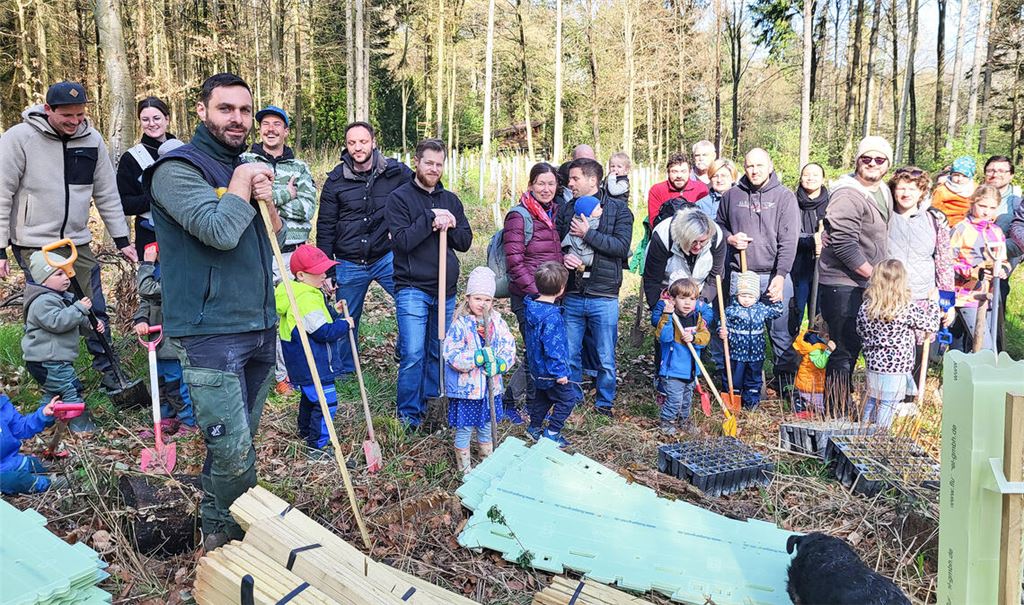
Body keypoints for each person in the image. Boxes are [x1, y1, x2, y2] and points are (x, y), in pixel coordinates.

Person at [145, 72, 283, 549]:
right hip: (211, 332)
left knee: (241, 441)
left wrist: (267, 202)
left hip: (260, 323)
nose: (238, 119)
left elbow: (271, 239)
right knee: (231, 449)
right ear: (202, 111)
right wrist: (245, 180)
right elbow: (218, 232)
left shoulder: (243, 167)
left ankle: (219, 524)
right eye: (227, 109)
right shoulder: (177, 170)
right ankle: (227, 543)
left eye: (245, 110)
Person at [0, 81, 137, 393]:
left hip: (76, 241)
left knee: (93, 305)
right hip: (35, 242)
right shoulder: (19, 138)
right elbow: (2, 192)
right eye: (67, 116)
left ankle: (111, 372)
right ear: (49, 110)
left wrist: (122, 239)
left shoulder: (92, 139)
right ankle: (56, 378)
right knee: (49, 308)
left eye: (80, 115)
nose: (75, 122)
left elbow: (106, 192)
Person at [386, 139, 473, 430]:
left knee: (438, 351)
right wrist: (430, 220)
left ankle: (432, 404)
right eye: (429, 163)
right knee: (413, 352)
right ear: (416, 162)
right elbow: (402, 243)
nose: (434, 169)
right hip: (413, 288)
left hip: (445, 291)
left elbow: (465, 241)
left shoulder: (451, 200)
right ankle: (408, 414)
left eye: (439, 164)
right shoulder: (399, 199)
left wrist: (451, 223)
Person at [317, 122, 413, 377]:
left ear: (373, 142)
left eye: (362, 142)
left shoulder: (397, 172)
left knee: (412, 301)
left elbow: (421, 193)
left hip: (386, 256)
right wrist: (327, 269)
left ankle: (405, 350)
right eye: (352, 143)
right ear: (346, 146)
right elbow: (325, 226)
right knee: (346, 318)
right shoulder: (335, 180)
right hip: (348, 260)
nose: (357, 148)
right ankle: (346, 370)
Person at [240, 105, 317, 395]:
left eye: (277, 124)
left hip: (292, 254)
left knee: (292, 313)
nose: (270, 129)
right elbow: (246, 204)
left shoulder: (299, 168)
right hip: (258, 250)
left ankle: (288, 374)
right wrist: (285, 193)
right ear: (258, 129)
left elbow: (307, 209)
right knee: (262, 314)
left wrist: (270, 200)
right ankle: (260, 374)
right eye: (265, 124)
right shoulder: (245, 161)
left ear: (286, 131)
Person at [817, 136, 893, 417]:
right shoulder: (847, 194)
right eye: (866, 158)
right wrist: (877, 276)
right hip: (842, 284)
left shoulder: (882, 191)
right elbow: (844, 244)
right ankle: (835, 413)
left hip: (866, 282)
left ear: (887, 164)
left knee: (854, 346)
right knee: (842, 349)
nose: (872, 163)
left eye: (879, 159)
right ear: (857, 160)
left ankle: (843, 405)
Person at [715, 147, 799, 395]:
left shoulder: (785, 197)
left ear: (770, 166)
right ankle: (741, 388)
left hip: (774, 274)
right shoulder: (732, 196)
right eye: (750, 165)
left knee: (780, 334)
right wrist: (730, 239)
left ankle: (785, 386)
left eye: (759, 165)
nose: (754, 170)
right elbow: (718, 226)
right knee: (740, 332)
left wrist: (781, 275)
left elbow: (789, 240)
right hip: (742, 274)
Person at [557, 158, 633, 416]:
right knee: (570, 353)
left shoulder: (619, 211)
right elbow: (557, 242)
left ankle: (604, 403)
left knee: (605, 356)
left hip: (604, 294)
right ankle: (574, 398)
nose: (570, 183)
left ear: (592, 180)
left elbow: (621, 248)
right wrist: (564, 256)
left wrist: (587, 234)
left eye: (575, 178)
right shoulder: (567, 209)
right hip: (573, 293)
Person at [275, 245, 354, 459]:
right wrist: (345, 324)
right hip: (314, 363)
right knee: (327, 403)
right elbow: (323, 331)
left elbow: (316, 319)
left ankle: (305, 431)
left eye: (325, 269)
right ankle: (317, 446)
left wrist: (333, 312)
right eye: (318, 271)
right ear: (301, 275)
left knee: (311, 399)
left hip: (305, 364)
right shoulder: (305, 298)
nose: (324, 275)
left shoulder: (302, 292)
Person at [503, 162, 563, 417]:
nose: (546, 188)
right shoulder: (520, 216)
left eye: (551, 183)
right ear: (531, 185)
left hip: (550, 295)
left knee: (540, 351)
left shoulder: (554, 213)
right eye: (541, 183)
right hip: (529, 296)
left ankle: (531, 404)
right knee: (534, 352)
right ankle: (511, 401)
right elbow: (515, 262)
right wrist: (536, 294)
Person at [443, 267, 516, 474]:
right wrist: (475, 358)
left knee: (485, 426)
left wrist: (500, 364)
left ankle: (486, 465)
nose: (482, 304)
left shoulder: (497, 323)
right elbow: (451, 355)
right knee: (465, 428)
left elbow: (508, 347)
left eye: (487, 300)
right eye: (477, 299)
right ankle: (464, 469)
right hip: (467, 390)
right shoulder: (460, 325)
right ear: (468, 298)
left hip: (489, 390)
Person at [21, 251, 101, 432]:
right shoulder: (42, 301)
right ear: (43, 280)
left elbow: (74, 321)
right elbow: (58, 322)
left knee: (53, 394)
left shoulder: (59, 298)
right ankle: (82, 428)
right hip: (47, 361)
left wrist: (92, 324)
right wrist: (79, 308)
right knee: (71, 389)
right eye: (59, 274)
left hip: (53, 360)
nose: (66, 278)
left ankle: (41, 423)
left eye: (67, 272)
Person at [886, 167, 955, 374]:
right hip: (890, 298)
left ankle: (912, 400)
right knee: (891, 352)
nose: (906, 194)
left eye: (912, 189)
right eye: (901, 188)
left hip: (922, 299)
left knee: (918, 354)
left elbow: (944, 263)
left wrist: (948, 303)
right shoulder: (884, 218)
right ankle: (889, 399)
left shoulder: (934, 221)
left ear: (922, 192)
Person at [856, 259, 940, 427]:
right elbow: (932, 324)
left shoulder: (867, 307)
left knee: (871, 400)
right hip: (896, 369)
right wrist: (933, 303)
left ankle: (861, 432)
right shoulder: (905, 308)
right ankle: (880, 440)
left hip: (873, 364)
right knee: (887, 406)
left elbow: (860, 330)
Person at [133, 243, 197, 435]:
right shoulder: (159, 269)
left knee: (176, 384)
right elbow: (146, 300)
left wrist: (146, 264)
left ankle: (188, 421)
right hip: (156, 341)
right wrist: (141, 318)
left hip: (173, 341)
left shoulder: (181, 272)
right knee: (158, 383)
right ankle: (166, 418)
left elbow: (146, 289)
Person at [950, 185, 1010, 353]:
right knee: (985, 347)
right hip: (966, 296)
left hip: (990, 296)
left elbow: (1003, 260)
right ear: (972, 203)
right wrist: (972, 271)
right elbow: (947, 262)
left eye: (992, 208)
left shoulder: (996, 231)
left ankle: (972, 377)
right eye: (982, 206)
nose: (986, 212)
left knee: (972, 346)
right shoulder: (961, 229)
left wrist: (1003, 269)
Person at [524, 262, 577, 447]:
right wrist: (560, 373)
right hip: (551, 370)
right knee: (568, 399)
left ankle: (534, 427)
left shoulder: (531, 308)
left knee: (543, 397)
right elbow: (553, 348)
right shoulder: (552, 317)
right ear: (561, 289)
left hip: (536, 367)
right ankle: (551, 432)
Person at [652, 278, 713, 435]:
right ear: (672, 300)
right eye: (682, 298)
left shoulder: (696, 318)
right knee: (674, 400)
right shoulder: (669, 319)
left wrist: (694, 338)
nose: (687, 303)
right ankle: (666, 422)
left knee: (686, 401)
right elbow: (663, 338)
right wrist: (667, 315)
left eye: (692, 299)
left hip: (690, 370)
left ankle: (684, 422)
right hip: (673, 370)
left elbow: (705, 337)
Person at [117, 96, 176, 258]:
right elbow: (125, 203)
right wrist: (156, 199)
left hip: (185, 232)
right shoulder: (132, 158)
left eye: (156, 118)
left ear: (167, 119)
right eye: (145, 119)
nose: (152, 124)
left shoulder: (185, 151)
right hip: (150, 233)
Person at [719, 271, 784, 410]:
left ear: (756, 297)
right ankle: (732, 401)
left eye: (750, 296)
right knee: (734, 378)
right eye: (743, 295)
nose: (747, 299)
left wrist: (777, 299)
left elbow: (777, 312)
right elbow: (722, 323)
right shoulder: (732, 311)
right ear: (737, 295)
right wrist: (722, 331)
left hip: (756, 354)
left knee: (753, 379)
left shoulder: (760, 309)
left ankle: (752, 403)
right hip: (736, 354)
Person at [0, 394, 68, 495]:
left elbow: (20, 427)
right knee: (16, 481)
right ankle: (49, 483)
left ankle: (56, 472)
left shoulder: (3, 406)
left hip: (12, 460)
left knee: (37, 465)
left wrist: (42, 415)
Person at [790, 163, 830, 334]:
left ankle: (818, 350)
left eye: (815, 175)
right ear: (800, 178)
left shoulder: (831, 202)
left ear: (822, 179)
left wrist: (825, 240)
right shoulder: (791, 201)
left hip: (825, 268)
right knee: (795, 309)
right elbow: (788, 234)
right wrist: (811, 240)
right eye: (806, 175)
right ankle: (792, 351)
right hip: (797, 266)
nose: (810, 178)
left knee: (821, 312)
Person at [647, 153, 709, 227]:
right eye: (674, 171)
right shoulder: (657, 190)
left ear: (690, 172)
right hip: (666, 234)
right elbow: (654, 223)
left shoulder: (701, 188)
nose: (679, 176)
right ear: (668, 172)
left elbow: (706, 219)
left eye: (683, 171)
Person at [792, 318, 832, 418]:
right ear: (826, 336)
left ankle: (804, 409)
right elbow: (820, 364)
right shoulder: (816, 347)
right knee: (820, 408)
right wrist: (829, 350)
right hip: (812, 385)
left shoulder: (812, 342)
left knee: (808, 403)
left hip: (807, 382)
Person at [930, 156, 978, 228]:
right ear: (951, 174)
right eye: (956, 175)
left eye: (964, 176)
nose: (959, 179)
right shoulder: (942, 190)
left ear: (970, 177)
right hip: (949, 224)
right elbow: (934, 209)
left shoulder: (976, 189)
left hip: (971, 224)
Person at [561, 195, 603, 270]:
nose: (602, 210)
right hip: (587, 256)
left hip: (574, 255)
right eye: (598, 209)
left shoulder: (574, 220)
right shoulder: (592, 222)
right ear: (588, 214)